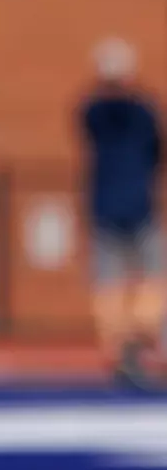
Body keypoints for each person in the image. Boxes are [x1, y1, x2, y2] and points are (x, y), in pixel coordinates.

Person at [79, 36, 163, 389]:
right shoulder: (141, 112)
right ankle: (134, 337)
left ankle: (124, 342)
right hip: (137, 207)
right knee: (149, 276)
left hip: (107, 207)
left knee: (111, 281)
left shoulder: (93, 112)